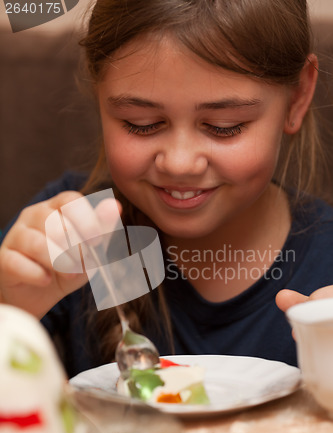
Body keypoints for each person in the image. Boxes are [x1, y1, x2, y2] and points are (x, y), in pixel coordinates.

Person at [1, 0, 333, 378]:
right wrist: (12, 310)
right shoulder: (66, 232)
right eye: (141, 124)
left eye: (224, 126)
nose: (179, 162)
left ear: (298, 96)